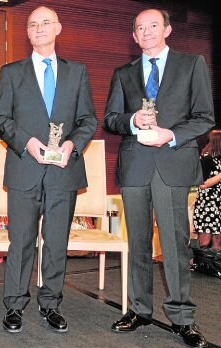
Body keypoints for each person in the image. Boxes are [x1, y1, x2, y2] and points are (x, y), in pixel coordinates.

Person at [102, 8, 214, 348]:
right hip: (136, 165)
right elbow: (110, 119)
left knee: (175, 244)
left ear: (167, 30)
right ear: (133, 37)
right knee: (137, 242)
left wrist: (171, 134)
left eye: (153, 25)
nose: (147, 31)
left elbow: (204, 117)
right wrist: (133, 121)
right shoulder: (123, 73)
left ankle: (182, 318)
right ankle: (139, 309)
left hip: (172, 162)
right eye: (139, 28)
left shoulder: (192, 64)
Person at [0, 6, 97, 334]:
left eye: (45, 23)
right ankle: (15, 304)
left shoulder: (77, 71)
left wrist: (72, 145)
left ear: (58, 28)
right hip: (25, 168)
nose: (39, 28)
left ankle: (50, 303)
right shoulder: (11, 72)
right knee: (20, 241)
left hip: (64, 171)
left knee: (56, 242)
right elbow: (1, 120)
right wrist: (28, 143)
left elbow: (88, 120)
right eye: (33, 24)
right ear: (27, 32)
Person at [193, 129, 221, 251]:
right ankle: (199, 265)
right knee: (205, 241)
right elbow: (202, 184)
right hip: (208, 205)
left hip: (218, 204)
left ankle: (215, 267)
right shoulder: (207, 158)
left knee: (218, 241)